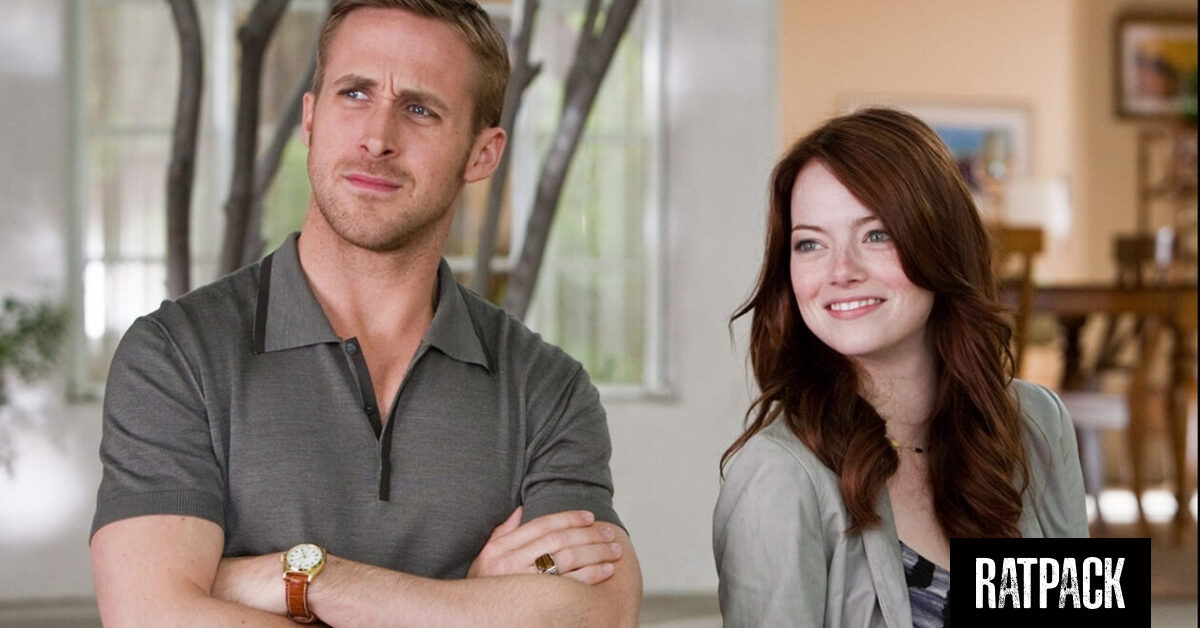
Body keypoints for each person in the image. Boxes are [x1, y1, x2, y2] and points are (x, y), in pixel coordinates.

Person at [89, 1, 641, 625]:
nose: (378, 138)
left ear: (482, 154)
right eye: (354, 93)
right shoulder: (177, 355)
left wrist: (304, 577)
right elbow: (151, 617)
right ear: (311, 117)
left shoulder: (546, 389)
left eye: (420, 109)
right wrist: (473, 604)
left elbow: (599, 612)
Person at [712, 108, 1086, 627]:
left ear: (941, 241)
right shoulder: (775, 476)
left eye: (876, 235)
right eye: (810, 243)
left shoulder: (1037, 421)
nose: (841, 271)